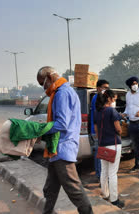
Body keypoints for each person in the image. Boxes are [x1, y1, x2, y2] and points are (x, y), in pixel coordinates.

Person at [37, 66, 93, 214]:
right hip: (56, 149)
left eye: (43, 83)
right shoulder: (62, 91)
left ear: (49, 77)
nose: (44, 88)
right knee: (50, 188)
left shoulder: (62, 93)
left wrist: (41, 130)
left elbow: (62, 123)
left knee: (75, 191)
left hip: (62, 148)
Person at [94, 89, 125, 208]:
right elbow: (118, 129)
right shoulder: (112, 111)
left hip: (102, 144)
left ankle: (105, 194)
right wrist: (121, 131)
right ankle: (114, 199)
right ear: (109, 99)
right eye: (114, 99)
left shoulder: (97, 112)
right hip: (114, 144)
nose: (114, 101)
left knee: (104, 171)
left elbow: (96, 131)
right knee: (112, 173)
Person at [90, 79, 110, 183]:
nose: (106, 89)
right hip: (97, 130)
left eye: (107, 88)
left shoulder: (98, 97)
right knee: (99, 154)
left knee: (101, 153)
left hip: (99, 129)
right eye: (104, 87)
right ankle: (99, 175)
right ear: (98, 88)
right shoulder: (97, 98)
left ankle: (101, 174)